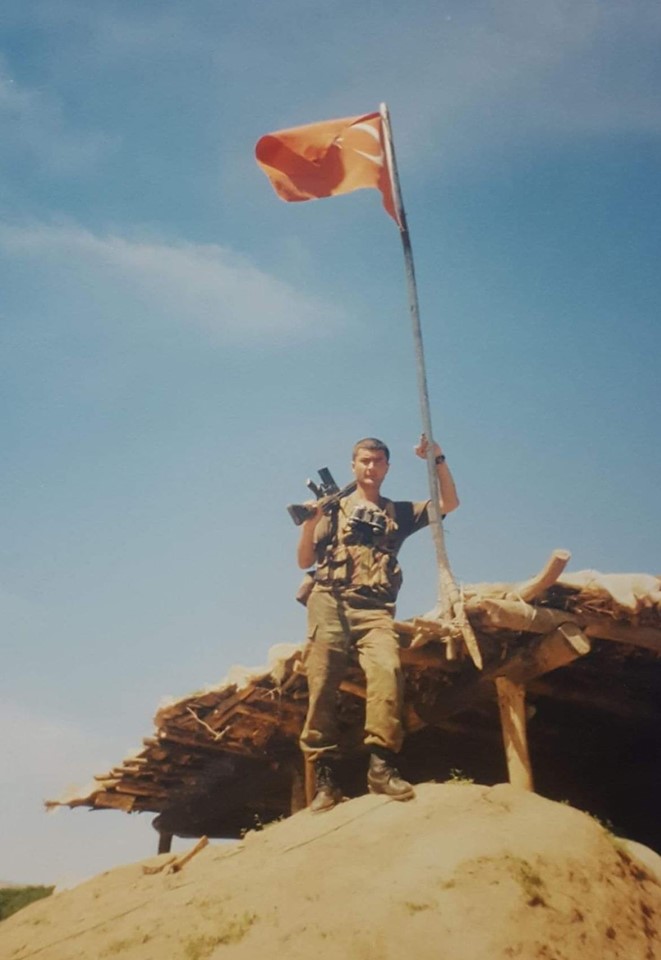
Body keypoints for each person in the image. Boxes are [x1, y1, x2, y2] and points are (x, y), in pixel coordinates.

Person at [296, 434, 460, 813]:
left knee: (388, 672)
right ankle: (325, 778)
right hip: (330, 602)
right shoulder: (332, 509)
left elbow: (448, 504)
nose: (371, 467)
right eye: (364, 461)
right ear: (353, 465)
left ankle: (381, 767)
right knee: (321, 684)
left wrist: (437, 459)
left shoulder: (397, 512)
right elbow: (304, 560)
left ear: (387, 467)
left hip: (375, 610)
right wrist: (309, 524)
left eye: (378, 461)